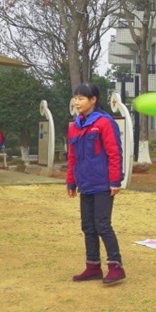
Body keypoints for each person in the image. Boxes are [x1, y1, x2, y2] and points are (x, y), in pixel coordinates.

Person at [65, 82, 125, 284]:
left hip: (103, 183)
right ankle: (92, 267)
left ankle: (116, 266)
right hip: (85, 184)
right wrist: (71, 183)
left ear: (93, 100)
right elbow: (72, 157)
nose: (77, 101)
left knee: (102, 225)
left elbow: (114, 153)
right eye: (76, 98)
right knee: (87, 226)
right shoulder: (75, 127)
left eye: (81, 98)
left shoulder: (105, 123)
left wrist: (115, 180)